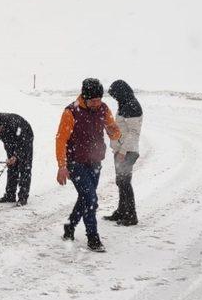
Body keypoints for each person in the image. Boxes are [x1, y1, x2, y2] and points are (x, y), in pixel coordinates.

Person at [56, 79, 121, 252]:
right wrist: (62, 166)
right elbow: (61, 140)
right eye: (93, 100)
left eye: (99, 99)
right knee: (91, 199)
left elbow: (113, 129)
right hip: (75, 162)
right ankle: (93, 238)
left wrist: (114, 131)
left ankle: (69, 227)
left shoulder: (103, 108)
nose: (97, 103)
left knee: (85, 198)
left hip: (95, 161)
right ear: (84, 98)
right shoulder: (71, 112)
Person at [103, 80, 142, 226]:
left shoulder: (132, 106)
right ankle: (121, 211)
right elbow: (122, 128)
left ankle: (131, 216)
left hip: (127, 152)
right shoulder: (125, 104)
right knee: (121, 182)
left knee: (125, 183)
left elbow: (133, 132)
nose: (115, 98)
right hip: (121, 150)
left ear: (121, 92)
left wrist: (123, 151)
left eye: (115, 95)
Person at [0, 113, 34, 206]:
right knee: (11, 166)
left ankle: (23, 197)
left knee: (24, 167)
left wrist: (16, 156)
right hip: (9, 140)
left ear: (1, 125)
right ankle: (10, 195)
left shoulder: (14, 124)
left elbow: (22, 142)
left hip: (25, 137)